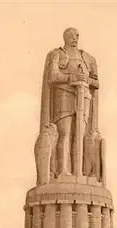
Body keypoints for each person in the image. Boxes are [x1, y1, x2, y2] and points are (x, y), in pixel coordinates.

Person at [40, 28, 99, 175]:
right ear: (65, 37)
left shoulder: (87, 58)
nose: (76, 38)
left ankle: (80, 173)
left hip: (84, 97)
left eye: (77, 35)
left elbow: (96, 83)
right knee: (65, 133)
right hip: (64, 95)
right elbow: (52, 76)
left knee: (80, 135)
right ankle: (63, 170)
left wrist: (87, 79)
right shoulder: (57, 54)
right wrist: (70, 78)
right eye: (72, 35)